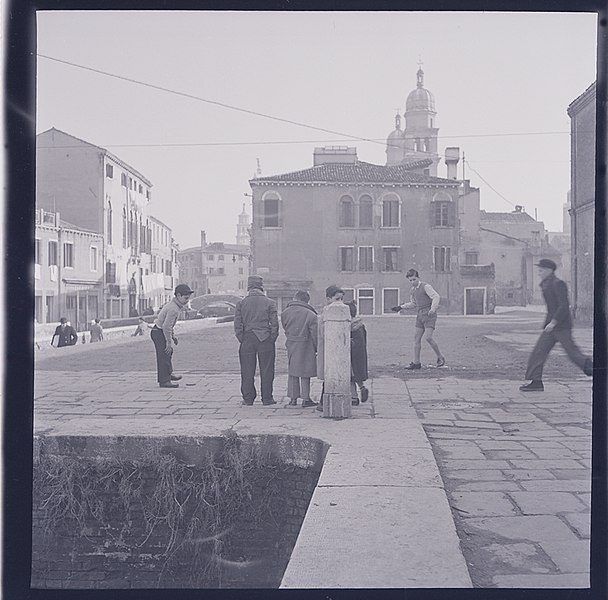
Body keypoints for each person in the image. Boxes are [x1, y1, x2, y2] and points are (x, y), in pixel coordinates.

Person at [520, 259, 593, 392]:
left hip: (561, 325)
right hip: (551, 326)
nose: (539, 273)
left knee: (572, 352)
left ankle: (594, 369)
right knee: (539, 351)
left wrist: (554, 322)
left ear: (549, 270)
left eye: (541, 270)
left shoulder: (558, 284)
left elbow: (564, 306)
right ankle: (536, 382)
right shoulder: (547, 283)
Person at [234, 275, 279, 406]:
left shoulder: (241, 303)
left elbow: (237, 323)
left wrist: (241, 338)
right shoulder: (270, 303)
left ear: (248, 287)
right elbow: (275, 324)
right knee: (267, 369)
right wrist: (272, 338)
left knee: (247, 370)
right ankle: (267, 398)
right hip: (265, 339)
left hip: (247, 338)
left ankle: (248, 398)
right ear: (261, 287)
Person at [391, 269, 445, 369]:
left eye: (414, 279)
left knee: (428, 337)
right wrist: (400, 307)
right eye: (410, 280)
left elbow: (436, 297)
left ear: (418, 277)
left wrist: (433, 309)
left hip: (429, 314)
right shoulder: (412, 291)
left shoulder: (426, 286)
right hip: (420, 315)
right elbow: (414, 304)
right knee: (416, 338)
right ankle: (416, 363)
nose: (412, 282)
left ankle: (440, 357)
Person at [151, 283, 194, 388]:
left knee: (168, 354)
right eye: (186, 298)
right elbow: (166, 327)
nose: (187, 301)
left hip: (159, 330)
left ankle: (169, 374)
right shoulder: (174, 309)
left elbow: (169, 325)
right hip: (158, 332)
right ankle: (164, 381)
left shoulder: (174, 305)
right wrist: (169, 342)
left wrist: (173, 337)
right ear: (178, 296)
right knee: (164, 355)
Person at [281, 290, 318, 408]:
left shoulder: (285, 313)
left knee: (293, 371)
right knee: (305, 372)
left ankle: (293, 398)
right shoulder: (311, 315)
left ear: (295, 298)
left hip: (291, 343)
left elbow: (285, 327)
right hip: (306, 344)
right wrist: (317, 348)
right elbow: (315, 334)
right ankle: (306, 398)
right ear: (306, 300)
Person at [316, 285, 345, 412]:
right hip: (329, 349)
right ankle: (323, 402)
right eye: (337, 299)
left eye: (341, 299)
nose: (340, 302)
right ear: (328, 299)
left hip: (337, 350)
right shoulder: (325, 315)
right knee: (329, 375)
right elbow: (324, 334)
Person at [346, 300, 369, 406]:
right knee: (355, 375)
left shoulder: (350, 327)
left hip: (351, 355)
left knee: (351, 376)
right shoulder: (360, 325)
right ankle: (361, 388)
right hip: (359, 354)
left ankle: (354, 397)